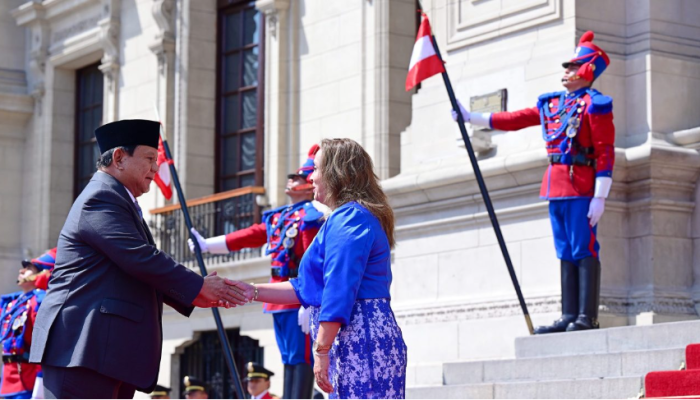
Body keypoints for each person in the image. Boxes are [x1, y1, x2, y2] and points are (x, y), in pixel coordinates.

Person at [29, 119, 247, 399]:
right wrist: (197, 287)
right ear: (119, 158)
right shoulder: (101, 197)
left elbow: (137, 268)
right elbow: (139, 258)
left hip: (103, 352)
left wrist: (194, 294)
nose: (156, 168)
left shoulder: (117, 198)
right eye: (149, 158)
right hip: (83, 347)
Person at [452, 31, 614, 333]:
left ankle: (586, 316)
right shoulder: (552, 105)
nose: (566, 72)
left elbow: (605, 152)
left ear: (588, 70)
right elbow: (516, 119)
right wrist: (470, 117)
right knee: (564, 249)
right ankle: (568, 315)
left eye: (573, 67)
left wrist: (600, 195)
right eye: (567, 67)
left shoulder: (595, 105)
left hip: (581, 185)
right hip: (556, 185)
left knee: (584, 248)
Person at [231, 138, 408, 399]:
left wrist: (321, 349)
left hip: (360, 338)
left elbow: (339, 288)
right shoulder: (348, 216)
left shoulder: (350, 217)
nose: (311, 177)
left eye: (316, 169)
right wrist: (250, 291)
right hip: (354, 337)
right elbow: (306, 288)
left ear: (337, 174)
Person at [189, 145, 327, 399]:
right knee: (288, 358)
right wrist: (208, 245)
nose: (291, 180)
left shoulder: (310, 217)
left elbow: (312, 264)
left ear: (309, 184)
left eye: (298, 177)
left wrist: (309, 302)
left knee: (302, 358)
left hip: (295, 296)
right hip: (277, 298)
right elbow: (250, 236)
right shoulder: (280, 217)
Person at [0, 252, 51, 399]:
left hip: (29, 379)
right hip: (8, 378)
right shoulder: (11, 303)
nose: (21, 271)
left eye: (29, 268)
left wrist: (40, 378)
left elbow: (42, 344)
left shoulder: (40, 302)